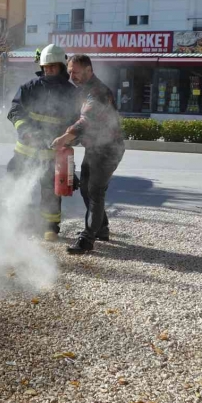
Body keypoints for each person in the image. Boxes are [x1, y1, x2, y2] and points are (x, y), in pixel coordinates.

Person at [51, 55, 125, 254]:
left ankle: (87, 239)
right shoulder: (83, 91)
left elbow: (86, 121)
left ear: (88, 70)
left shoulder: (98, 92)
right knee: (85, 188)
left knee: (94, 191)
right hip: (95, 148)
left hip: (109, 149)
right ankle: (101, 228)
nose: (71, 76)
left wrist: (64, 138)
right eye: (69, 72)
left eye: (74, 72)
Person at [7, 44, 79, 241]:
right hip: (25, 149)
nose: (48, 71)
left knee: (50, 190)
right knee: (18, 184)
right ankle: (16, 221)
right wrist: (26, 131)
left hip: (52, 152)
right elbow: (15, 111)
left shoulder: (71, 93)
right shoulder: (30, 88)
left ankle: (50, 227)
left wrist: (68, 139)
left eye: (52, 67)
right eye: (45, 67)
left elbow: (77, 122)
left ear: (61, 67)